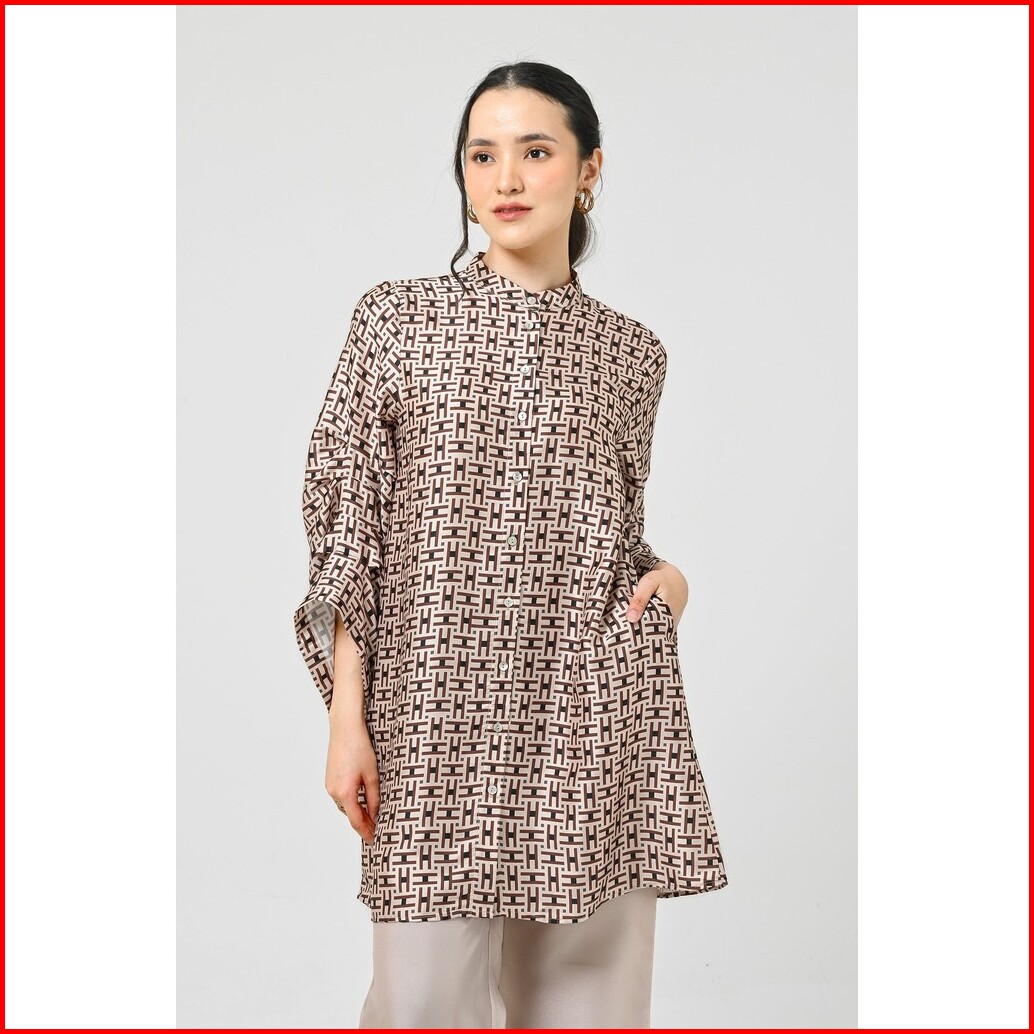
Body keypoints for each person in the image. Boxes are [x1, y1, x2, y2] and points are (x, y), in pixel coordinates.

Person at [292, 61, 729, 1029]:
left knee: (587, 1005)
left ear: (589, 169)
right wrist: (347, 716)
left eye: (535, 151)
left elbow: (606, 528)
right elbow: (350, 527)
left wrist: (670, 581)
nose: (507, 179)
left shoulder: (632, 353)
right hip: (432, 709)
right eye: (482, 155)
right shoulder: (396, 318)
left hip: (588, 707)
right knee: (419, 1006)